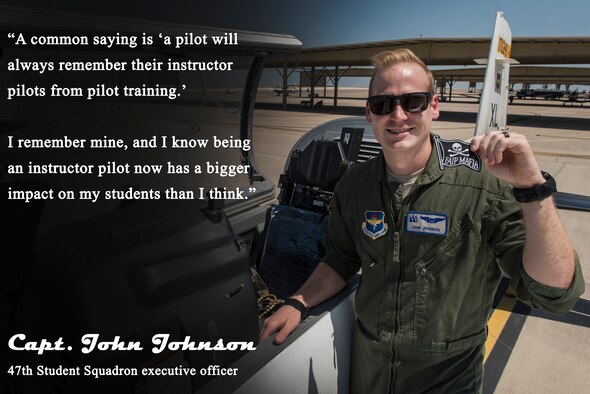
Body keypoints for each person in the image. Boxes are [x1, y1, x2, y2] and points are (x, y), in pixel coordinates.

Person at [259, 48, 585, 393]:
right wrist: (298, 302)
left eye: (413, 101)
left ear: (434, 106)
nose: (398, 115)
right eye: (384, 104)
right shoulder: (354, 185)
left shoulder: (483, 185)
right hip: (370, 373)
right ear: (369, 112)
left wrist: (533, 188)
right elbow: (339, 260)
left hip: (447, 379)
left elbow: (553, 294)